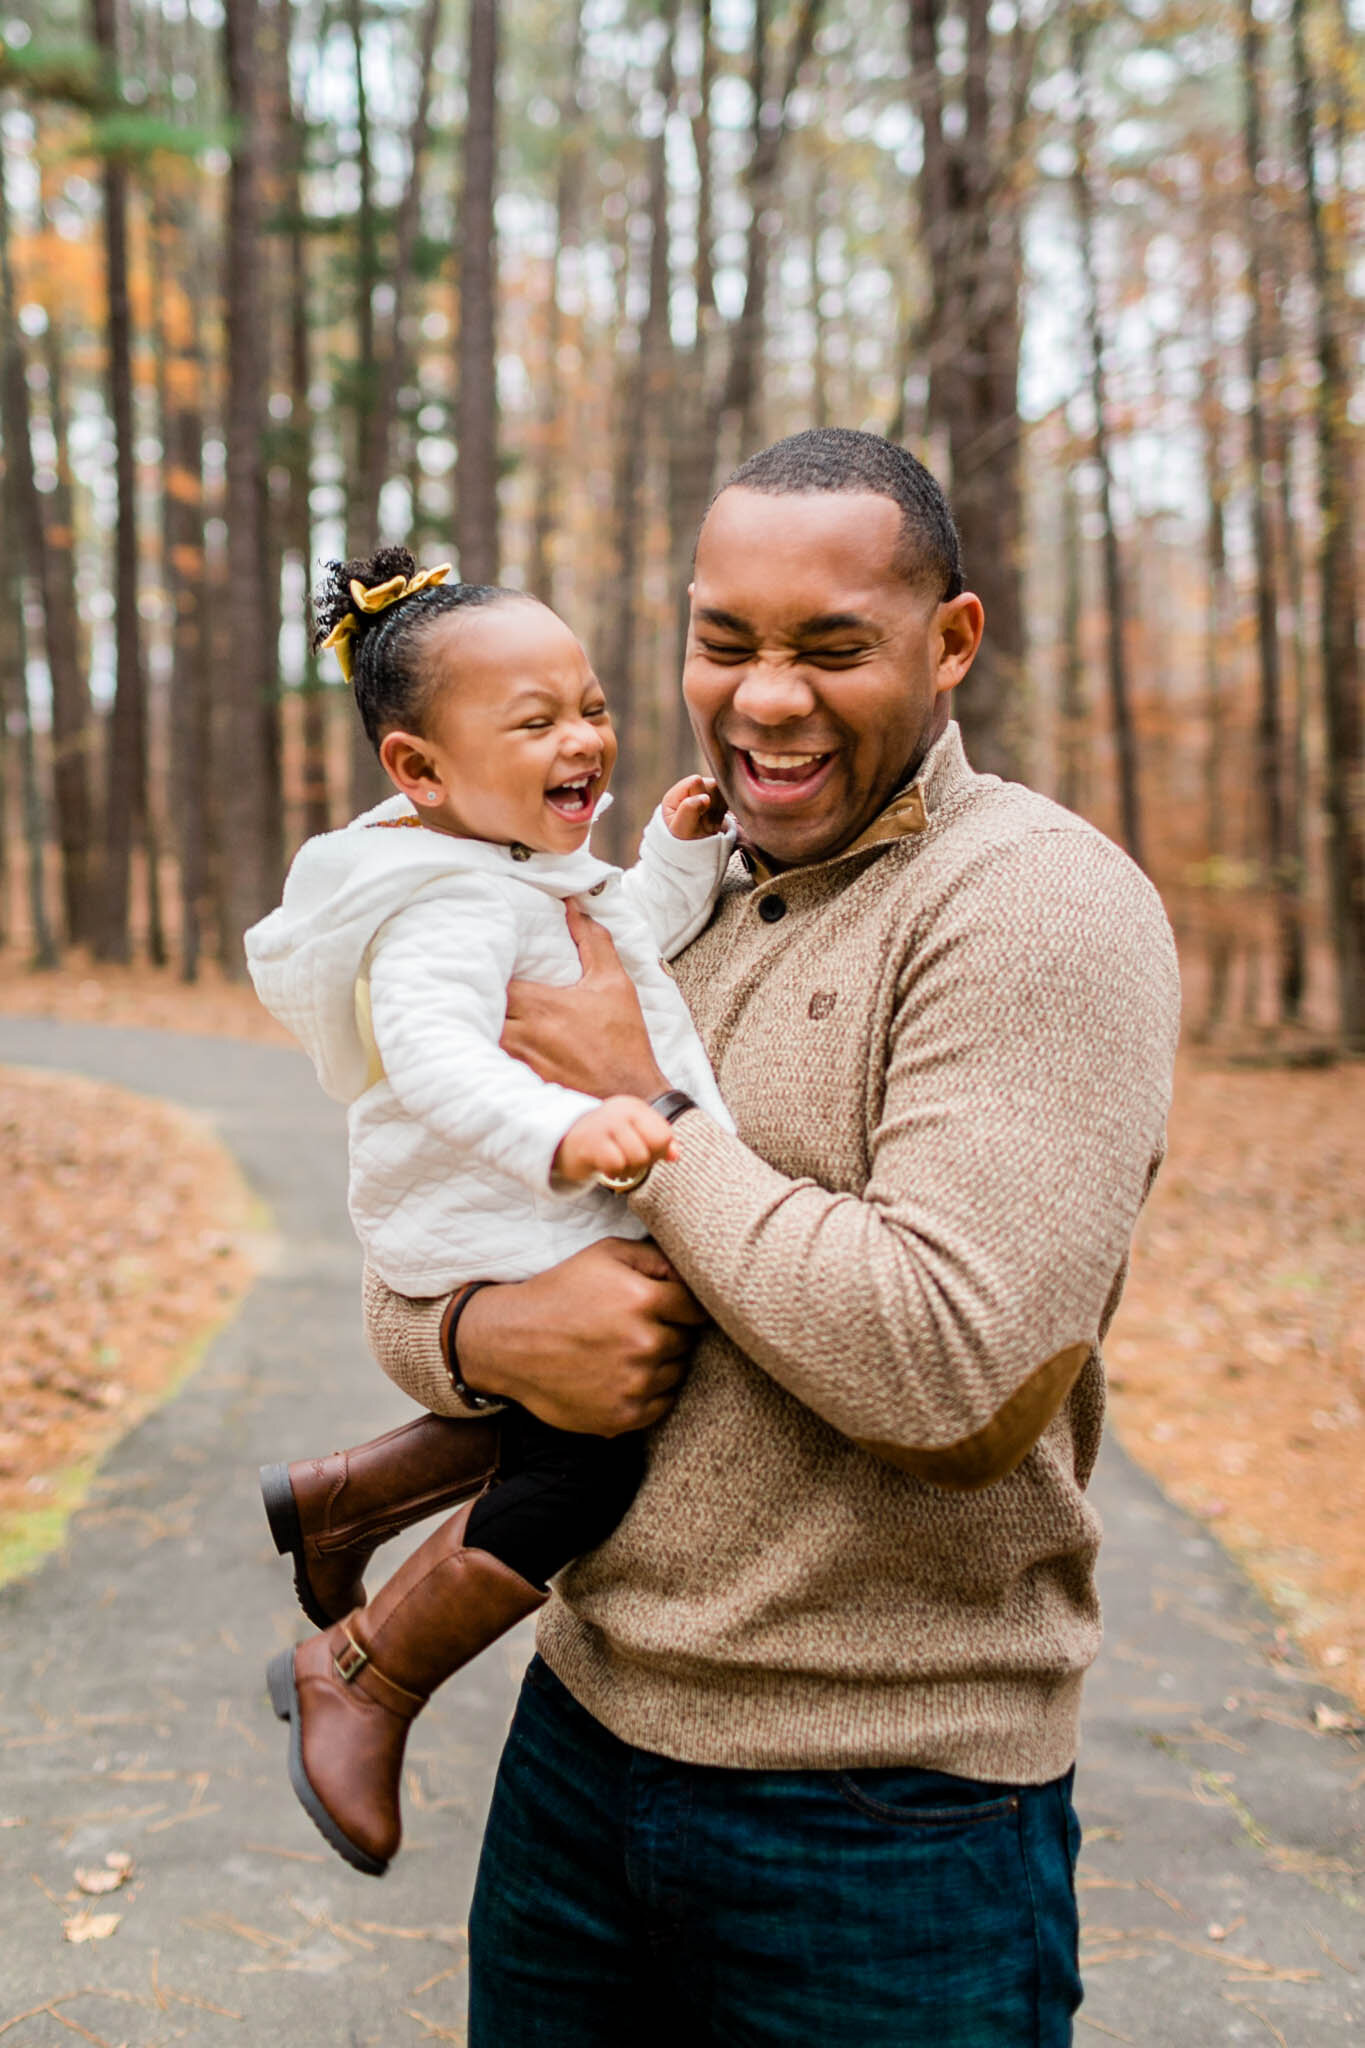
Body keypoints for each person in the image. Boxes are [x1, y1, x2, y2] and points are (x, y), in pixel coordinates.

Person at [322, 430, 1182, 2043]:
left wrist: (649, 1117)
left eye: (830, 646)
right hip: (578, 1752)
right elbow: (432, 1231)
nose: (766, 695)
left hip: (886, 1820)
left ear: (951, 644)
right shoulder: (636, 897)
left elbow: (946, 1370)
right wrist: (464, 1338)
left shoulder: (1033, 911)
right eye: (726, 641)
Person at [243, 548, 736, 1877]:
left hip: (531, 1208)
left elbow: (611, 931)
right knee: (585, 1456)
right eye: (534, 723)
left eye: (586, 703)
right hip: (505, 1212)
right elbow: (442, 1060)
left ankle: (342, 1504)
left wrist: (676, 865)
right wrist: (570, 1129)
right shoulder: (443, 907)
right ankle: (370, 1672)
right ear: (420, 772)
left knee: (571, 1398)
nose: (583, 736)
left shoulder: (509, 862)